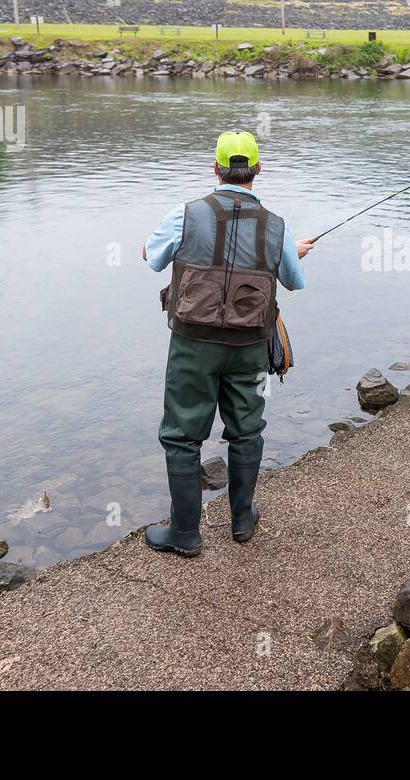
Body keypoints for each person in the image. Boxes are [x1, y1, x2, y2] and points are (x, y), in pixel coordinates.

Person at [141, 131, 313, 556]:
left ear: (215, 169)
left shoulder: (185, 214)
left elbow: (153, 258)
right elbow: (294, 281)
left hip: (192, 345)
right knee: (247, 429)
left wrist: (149, 246)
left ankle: (185, 534)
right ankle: (241, 520)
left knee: (182, 436)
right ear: (257, 170)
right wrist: (294, 250)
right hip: (250, 347)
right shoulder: (276, 226)